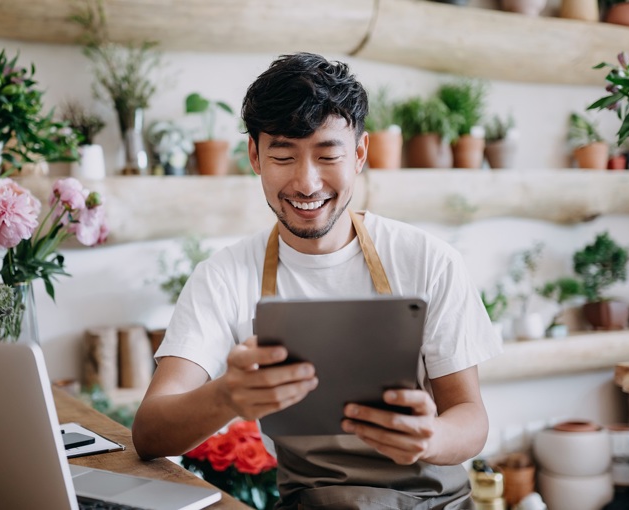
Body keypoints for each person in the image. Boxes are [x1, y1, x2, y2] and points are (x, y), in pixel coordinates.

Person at [132, 52, 502, 509]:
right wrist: (227, 394)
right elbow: (149, 432)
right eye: (283, 156)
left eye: (328, 155)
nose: (306, 183)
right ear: (254, 156)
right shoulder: (223, 277)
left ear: (360, 154)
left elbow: (471, 417)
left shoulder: (428, 260)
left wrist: (430, 437)